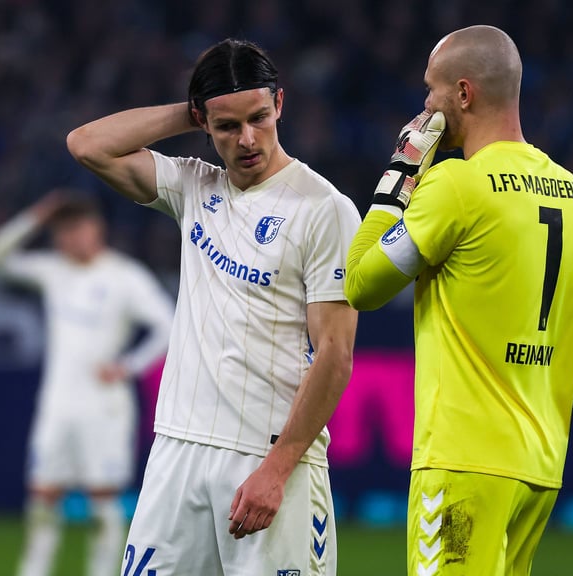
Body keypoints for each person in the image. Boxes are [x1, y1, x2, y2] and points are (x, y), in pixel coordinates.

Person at [344, 25, 573, 576]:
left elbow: (361, 285)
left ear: (463, 94)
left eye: (431, 90)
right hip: (539, 473)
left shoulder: (455, 186)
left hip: (460, 466)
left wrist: (399, 175)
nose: (425, 105)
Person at [66, 38, 360, 575]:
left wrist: (278, 467)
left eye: (259, 117)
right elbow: (87, 144)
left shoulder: (325, 210)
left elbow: (335, 355)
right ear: (203, 122)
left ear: (280, 105)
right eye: (227, 126)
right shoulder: (193, 186)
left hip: (266, 457)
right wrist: (196, 108)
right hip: (178, 449)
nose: (247, 139)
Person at [0, 192, 175, 576]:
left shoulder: (124, 276)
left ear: (96, 229)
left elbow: (167, 325)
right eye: (62, 232)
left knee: (103, 499)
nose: (70, 239)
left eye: (77, 229)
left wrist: (128, 365)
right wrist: (35, 215)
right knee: (43, 497)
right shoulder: (54, 271)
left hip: (104, 407)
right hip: (57, 405)